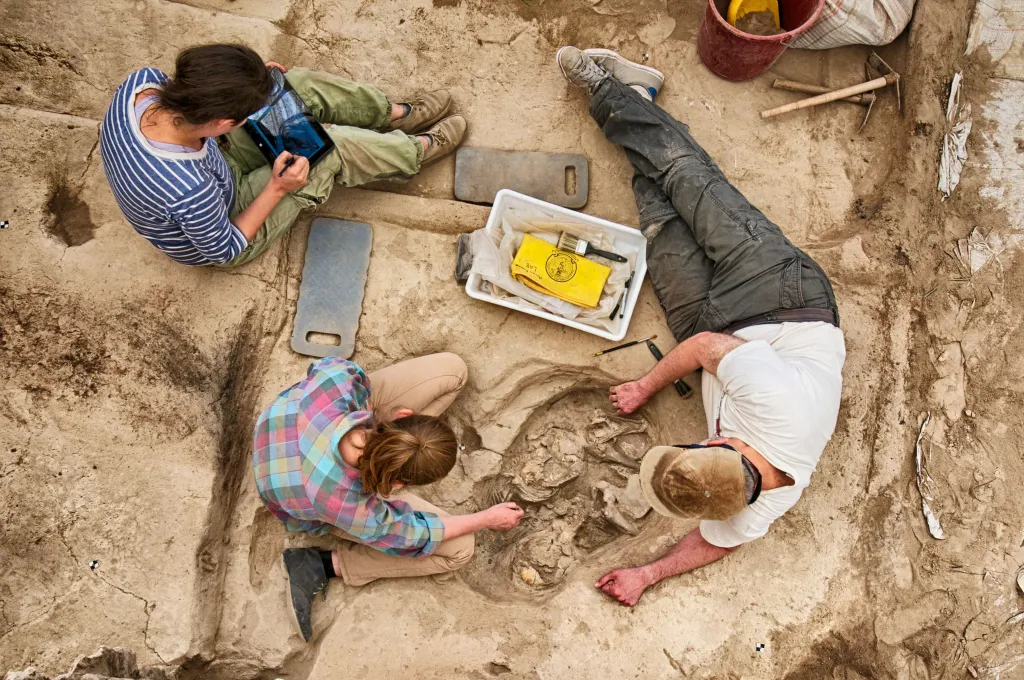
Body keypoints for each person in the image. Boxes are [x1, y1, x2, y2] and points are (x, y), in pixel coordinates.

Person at [554, 47, 847, 606]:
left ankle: (639, 102)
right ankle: (605, 91)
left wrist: (647, 574)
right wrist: (645, 386)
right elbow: (708, 348)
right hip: (779, 295)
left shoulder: (759, 502)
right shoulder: (775, 404)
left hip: (717, 335)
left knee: (660, 222)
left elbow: (720, 542)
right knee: (685, 178)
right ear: (714, 443)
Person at [100, 43, 466, 267]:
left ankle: (393, 113)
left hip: (214, 159)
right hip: (226, 222)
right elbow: (224, 248)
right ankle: (414, 152)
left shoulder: (143, 84)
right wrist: (277, 187)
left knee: (294, 86)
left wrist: (256, 82)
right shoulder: (187, 190)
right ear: (224, 121)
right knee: (325, 150)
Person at [252, 353, 524, 641]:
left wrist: (376, 423)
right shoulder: (350, 504)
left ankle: (402, 448)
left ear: (403, 416)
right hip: (295, 494)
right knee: (460, 549)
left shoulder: (338, 383)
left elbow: (331, 366)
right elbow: (414, 536)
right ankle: (323, 564)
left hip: (279, 425)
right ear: (396, 484)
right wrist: (486, 518)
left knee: (454, 370)